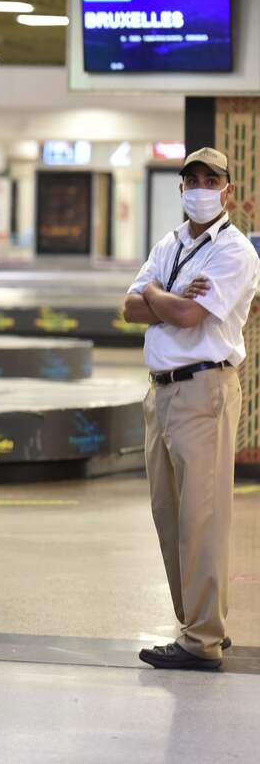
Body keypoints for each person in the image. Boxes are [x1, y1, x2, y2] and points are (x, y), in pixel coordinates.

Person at [123, 146, 260, 671]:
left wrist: (159, 295)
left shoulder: (234, 251)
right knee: (169, 514)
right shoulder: (170, 243)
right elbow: (129, 306)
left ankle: (202, 640)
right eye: (192, 180)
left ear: (227, 190)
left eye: (211, 180)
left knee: (202, 518)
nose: (201, 188)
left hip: (204, 391)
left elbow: (186, 316)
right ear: (181, 188)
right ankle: (197, 626)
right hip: (160, 393)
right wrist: (171, 296)